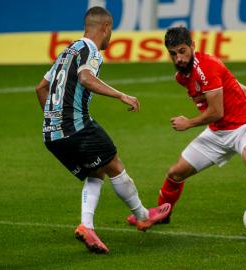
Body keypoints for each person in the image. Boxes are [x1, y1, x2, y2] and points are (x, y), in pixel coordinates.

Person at [128, 26, 246, 235]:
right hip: (218, 132)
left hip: (244, 125)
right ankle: (163, 214)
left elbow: (216, 111)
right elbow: (226, 80)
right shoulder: (182, 77)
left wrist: (188, 123)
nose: (178, 58)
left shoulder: (206, 67)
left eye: (182, 51)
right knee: (175, 173)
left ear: (192, 46)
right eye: (173, 54)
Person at [35, 6, 171, 254]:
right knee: (114, 163)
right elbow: (86, 78)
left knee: (96, 171)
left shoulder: (68, 50)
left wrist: (53, 119)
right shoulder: (91, 50)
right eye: (111, 31)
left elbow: (40, 88)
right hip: (74, 126)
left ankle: (87, 226)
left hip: (52, 135)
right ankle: (142, 215)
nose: (111, 37)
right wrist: (121, 95)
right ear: (106, 27)